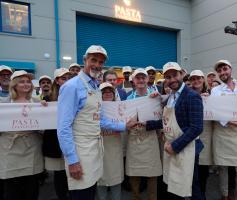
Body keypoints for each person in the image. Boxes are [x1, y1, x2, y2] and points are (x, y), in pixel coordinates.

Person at [57, 45, 136, 200]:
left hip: (94, 151)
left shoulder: (95, 87)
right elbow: (63, 128)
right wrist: (72, 160)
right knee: (81, 195)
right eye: (93, 60)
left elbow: (99, 119)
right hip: (80, 153)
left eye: (101, 62)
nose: (97, 65)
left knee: (90, 193)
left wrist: (124, 126)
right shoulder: (72, 87)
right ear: (84, 60)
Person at [145, 62, 204, 200]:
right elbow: (168, 121)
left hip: (187, 148)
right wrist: (146, 124)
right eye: (168, 77)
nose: (172, 80)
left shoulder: (192, 96)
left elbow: (197, 127)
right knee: (177, 184)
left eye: (174, 75)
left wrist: (175, 146)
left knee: (191, 186)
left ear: (181, 75)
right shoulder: (170, 96)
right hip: (173, 145)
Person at [0, 70, 46, 200]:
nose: (26, 84)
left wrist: (45, 110)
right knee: (12, 191)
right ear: (14, 84)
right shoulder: (4, 104)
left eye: (28, 82)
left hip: (31, 149)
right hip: (10, 150)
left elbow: (44, 125)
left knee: (31, 189)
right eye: (22, 82)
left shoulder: (38, 102)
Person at [211, 60, 237, 200]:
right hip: (223, 133)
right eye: (220, 71)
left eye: (225, 69)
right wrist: (232, 121)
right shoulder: (215, 90)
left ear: (230, 69)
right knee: (223, 168)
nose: (222, 72)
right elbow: (215, 112)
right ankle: (225, 195)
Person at [126, 68, 162, 200]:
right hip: (134, 138)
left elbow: (163, 120)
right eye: (138, 78)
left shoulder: (155, 96)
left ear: (147, 79)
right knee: (134, 173)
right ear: (133, 81)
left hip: (150, 136)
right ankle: (136, 197)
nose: (141, 80)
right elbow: (124, 119)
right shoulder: (129, 98)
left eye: (143, 78)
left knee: (152, 173)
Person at [42, 68, 71, 200]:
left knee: (71, 171)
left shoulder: (74, 95)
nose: (66, 81)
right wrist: (41, 105)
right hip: (54, 141)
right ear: (57, 81)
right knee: (59, 173)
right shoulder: (49, 98)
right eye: (63, 78)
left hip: (72, 138)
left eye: (68, 78)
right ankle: (61, 197)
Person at [96, 83, 124, 200]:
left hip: (115, 150)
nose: (107, 94)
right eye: (104, 92)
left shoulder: (121, 108)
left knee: (116, 180)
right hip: (99, 150)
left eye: (110, 92)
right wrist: (123, 126)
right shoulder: (95, 108)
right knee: (100, 180)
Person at [189, 70, 213, 199]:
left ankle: (202, 194)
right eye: (193, 79)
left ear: (203, 79)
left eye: (198, 78)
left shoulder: (211, 95)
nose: (196, 81)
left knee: (204, 171)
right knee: (193, 172)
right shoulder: (187, 94)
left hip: (207, 135)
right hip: (193, 137)